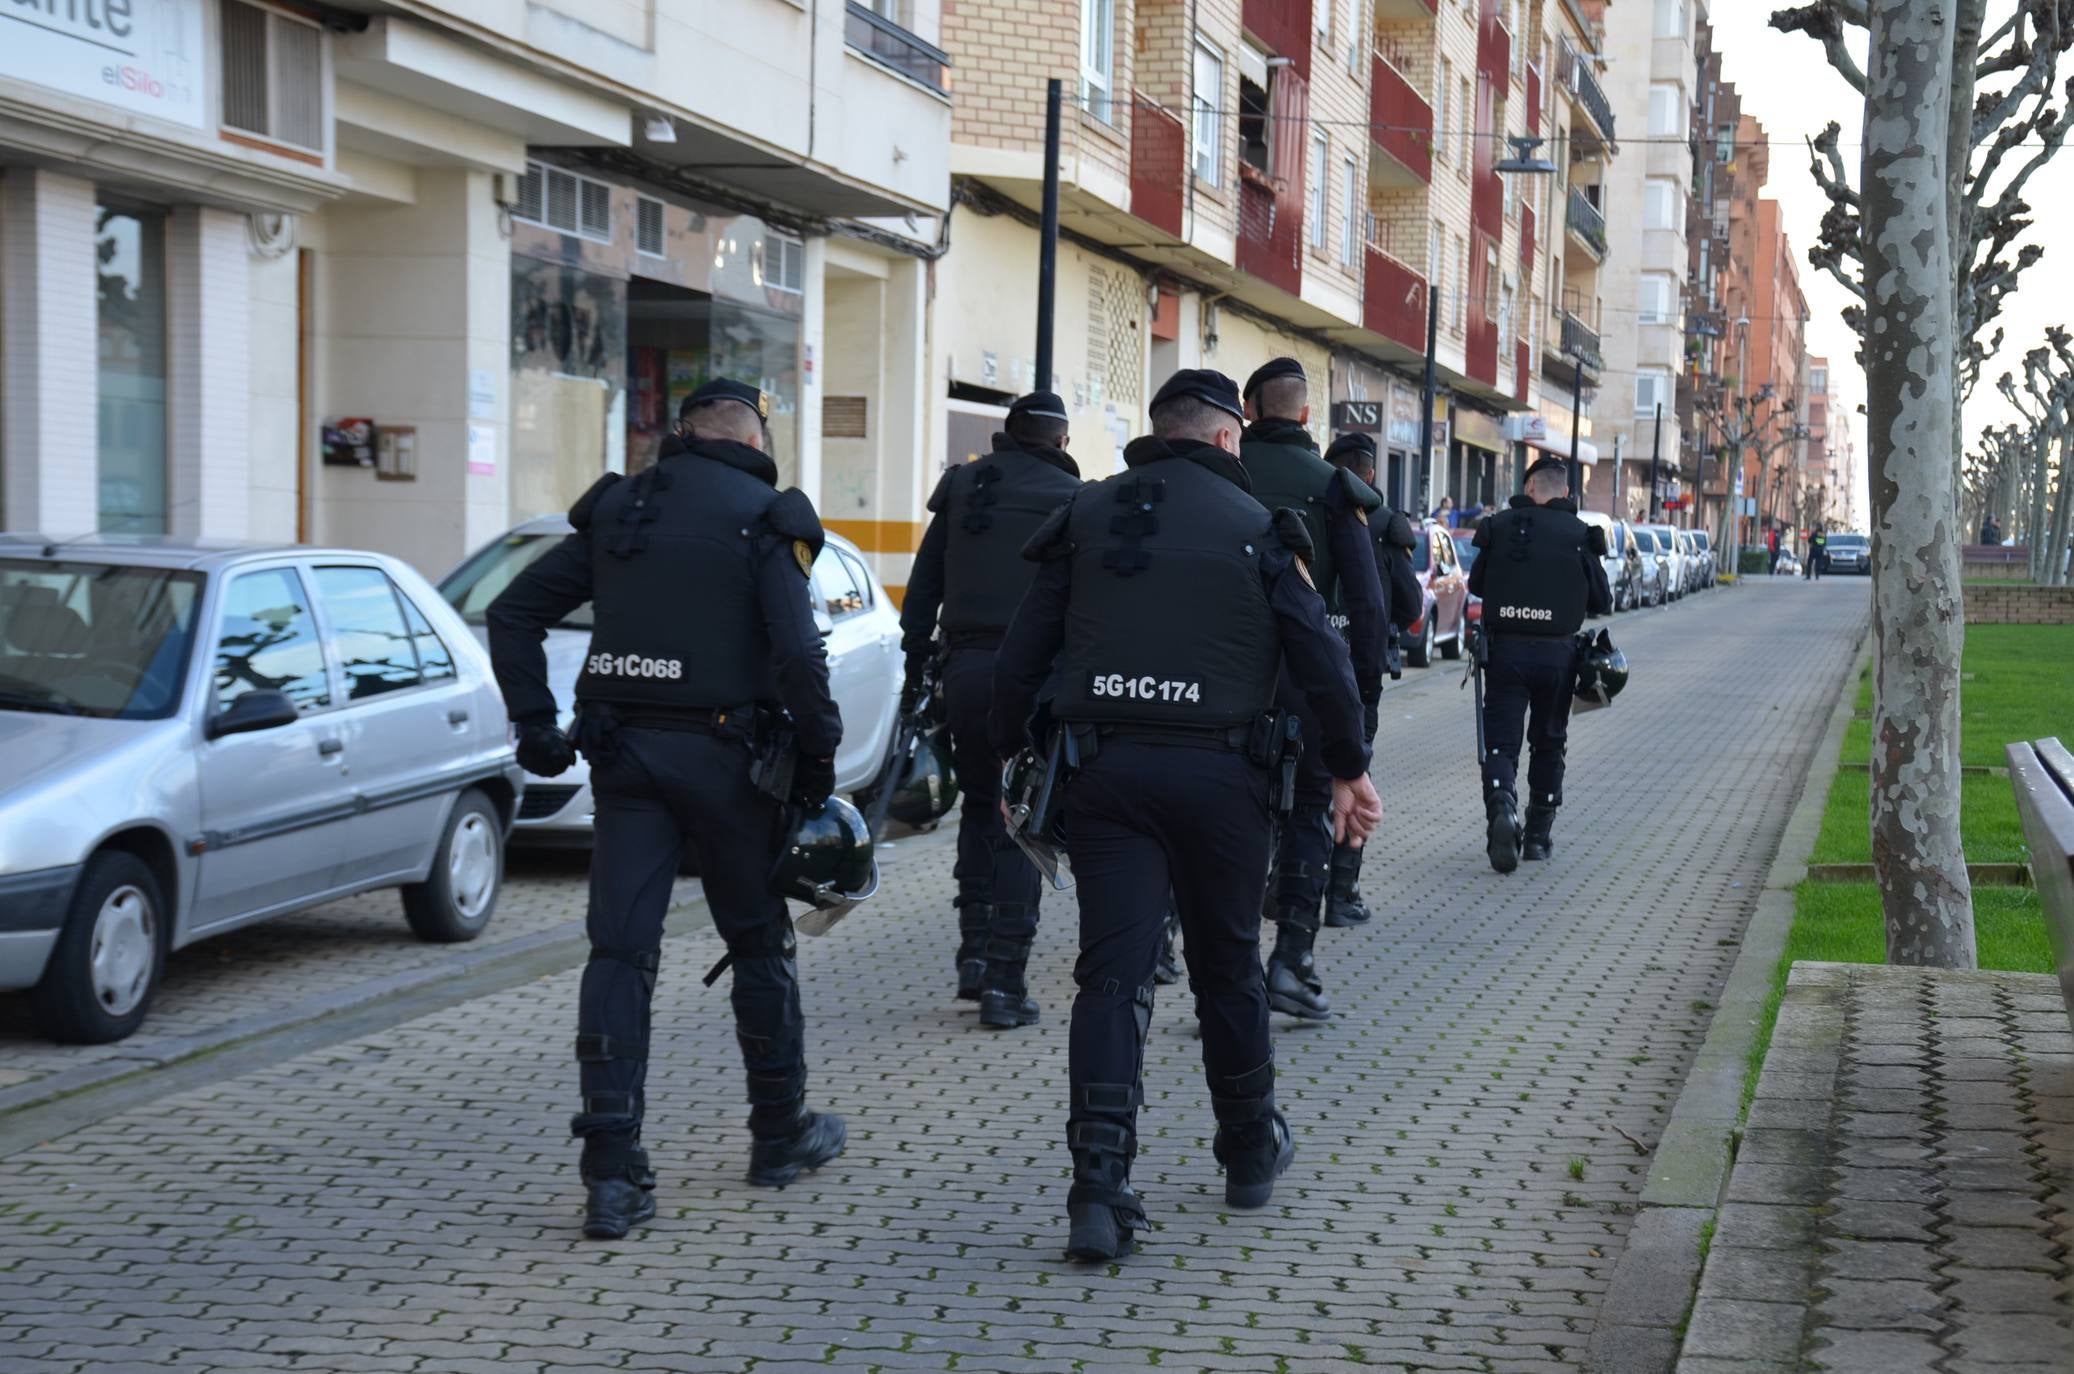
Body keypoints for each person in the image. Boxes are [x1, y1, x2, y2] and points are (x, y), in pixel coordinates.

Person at [990, 368, 1384, 1263]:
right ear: (1223, 439)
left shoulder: (1088, 515)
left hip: (1107, 781)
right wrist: (1350, 768)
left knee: (1111, 979)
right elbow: (1322, 660)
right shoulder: (1260, 530)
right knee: (1228, 971)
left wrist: (1008, 757)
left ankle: (1097, 1188)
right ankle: (1248, 1150)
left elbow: (1021, 661)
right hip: (1222, 784)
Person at [487, 379, 848, 1241]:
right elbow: (799, 655)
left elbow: (513, 612)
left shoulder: (622, 508)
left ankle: (611, 1174)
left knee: (619, 953)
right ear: (754, 434)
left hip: (624, 759)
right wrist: (820, 758)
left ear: (680, 433)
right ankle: (779, 1134)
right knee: (758, 942)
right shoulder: (764, 515)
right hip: (731, 765)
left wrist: (536, 723)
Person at [898, 391, 1081, 1028]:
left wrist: (917, 667)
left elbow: (922, 591)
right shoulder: (1073, 499)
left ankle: (973, 957)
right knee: (1023, 823)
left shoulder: (963, 487)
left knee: (980, 810)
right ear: (1061, 442)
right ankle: (1006, 981)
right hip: (1034, 683)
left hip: (965, 674)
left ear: (1007, 435)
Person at [1236, 358, 1386, 1022]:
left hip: (1222, 676)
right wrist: (1360, 697)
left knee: (1221, 813)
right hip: (1306, 678)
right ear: (1304, 415)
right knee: (1308, 815)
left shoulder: (1220, 469)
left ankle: (1181, 946)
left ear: (1245, 412)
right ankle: (1292, 960)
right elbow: (1368, 602)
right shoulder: (1334, 487)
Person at [1468, 453, 1612, 873]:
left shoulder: (1498, 527)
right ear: (1566, 492)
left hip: (1505, 652)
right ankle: (1537, 838)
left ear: (1529, 489)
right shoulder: (1580, 533)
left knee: (1500, 743)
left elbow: (1477, 584)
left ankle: (1502, 809)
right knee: (1549, 742)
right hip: (1558, 656)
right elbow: (1602, 600)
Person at [1320, 432, 1423, 929]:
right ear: (1371, 475)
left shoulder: (1302, 508)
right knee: (1353, 777)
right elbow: (1408, 604)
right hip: (1358, 680)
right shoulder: (1383, 524)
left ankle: (1282, 880)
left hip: (1293, 673)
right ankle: (1341, 895)